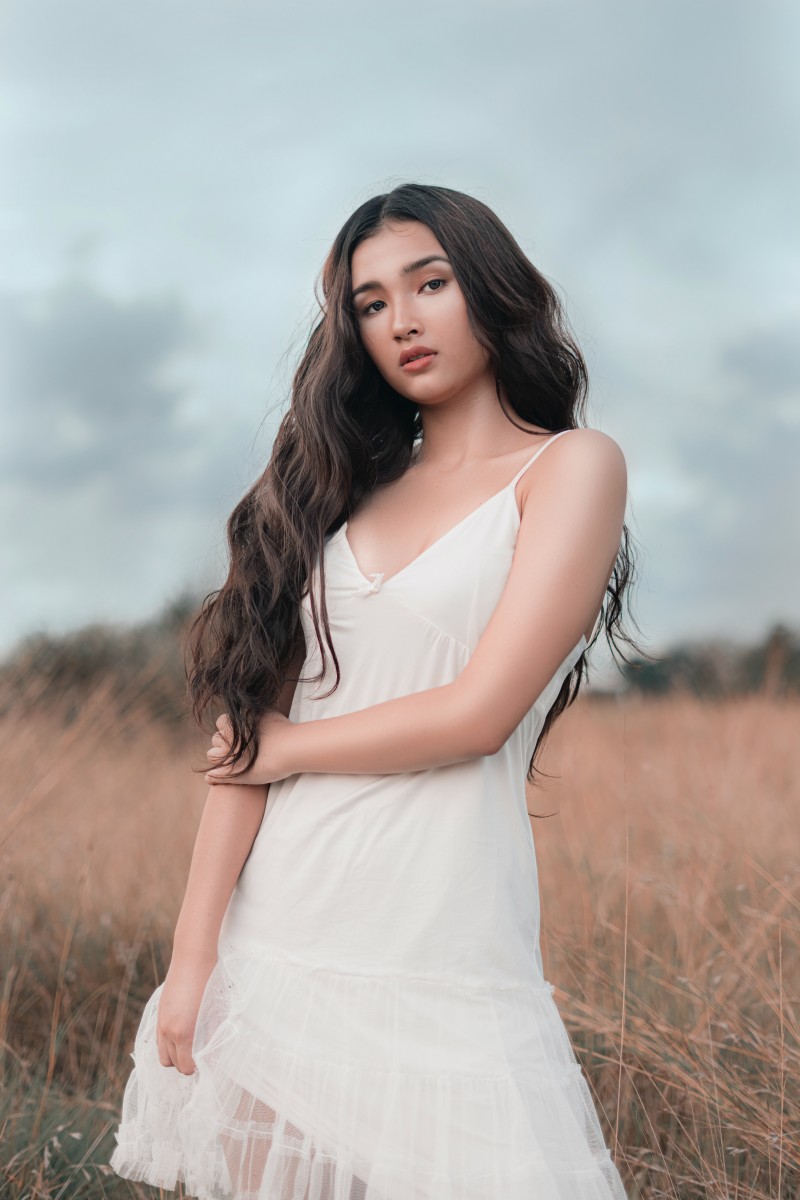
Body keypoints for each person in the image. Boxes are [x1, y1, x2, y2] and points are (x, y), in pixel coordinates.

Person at [110, 182, 637, 1199]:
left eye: (428, 283)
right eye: (369, 302)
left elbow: (479, 714)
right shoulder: (334, 493)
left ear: (490, 288)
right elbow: (243, 739)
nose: (400, 319)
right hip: (277, 946)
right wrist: (192, 958)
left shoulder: (569, 469)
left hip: (441, 943)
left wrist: (289, 749)